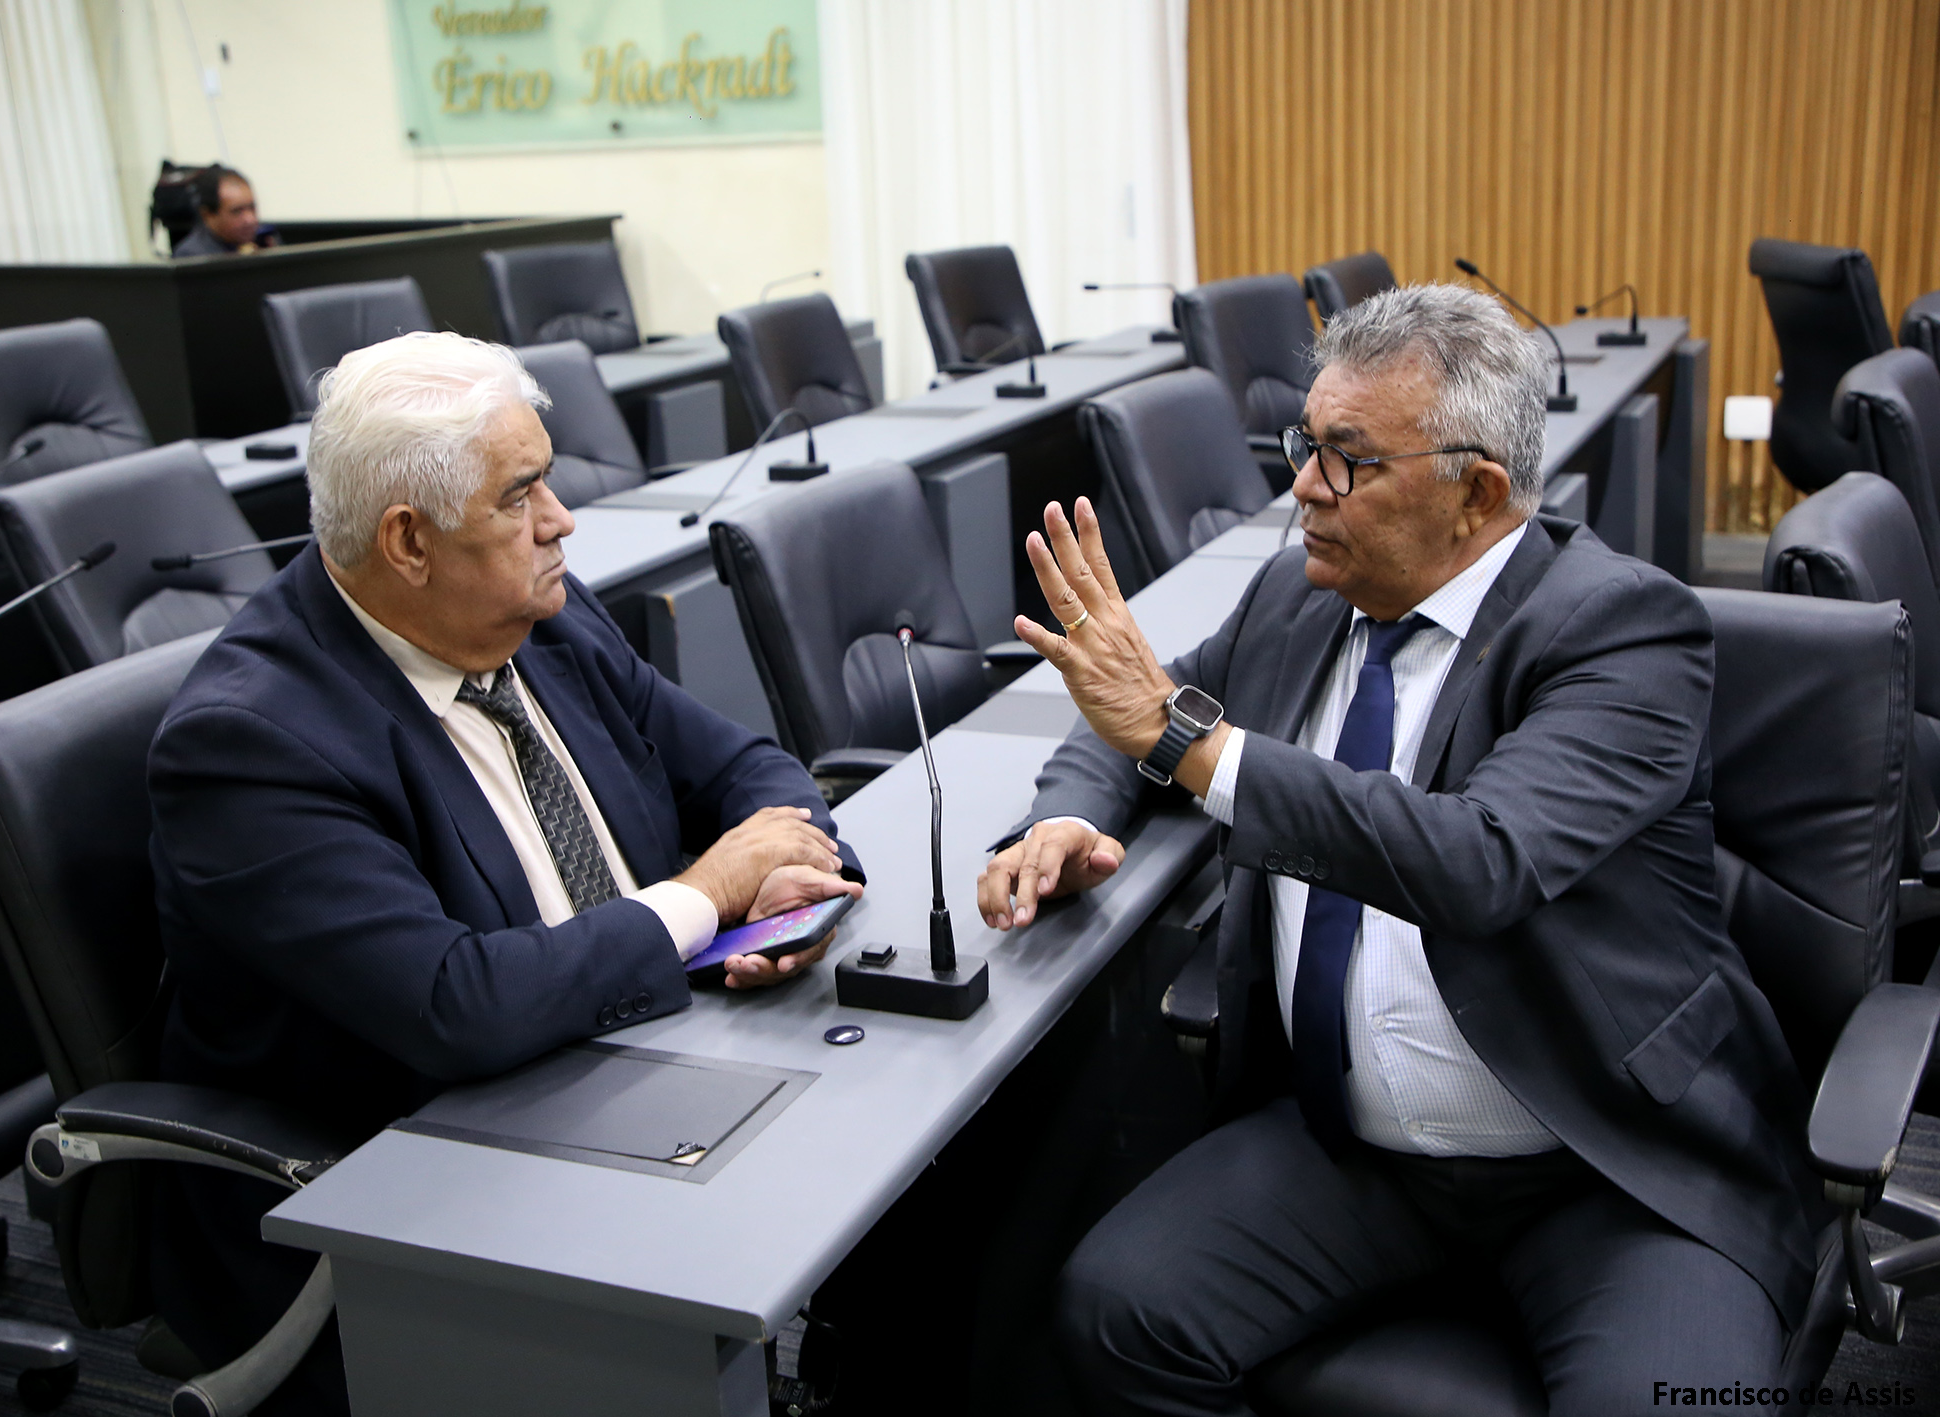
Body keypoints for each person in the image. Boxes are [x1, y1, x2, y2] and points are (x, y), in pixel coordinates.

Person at [977, 285, 1816, 1414]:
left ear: (1476, 493)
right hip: (1355, 1146)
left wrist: (1188, 743)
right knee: (1113, 1312)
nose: (1303, 486)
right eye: (1303, 445)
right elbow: (1135, 707)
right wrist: (1070, 817)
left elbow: (1481, 860)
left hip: (1604, 1162)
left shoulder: (1622, 629)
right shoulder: (1295, 598)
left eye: (1349, 460)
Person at [148, 331, 862, 1412]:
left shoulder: (541, 620)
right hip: (414, 1177)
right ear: (408, 541)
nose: (561, 519)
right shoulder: (252, 743)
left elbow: (748, 770)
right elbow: (457, 1006)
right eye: (520, 494)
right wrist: (708, 892)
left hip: (621, 1064)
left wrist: (777, 888)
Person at [172, 165, 275, 256]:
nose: (250, 219)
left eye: (252, 208)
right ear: (208, 216)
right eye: (237, 211)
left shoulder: (266, 240)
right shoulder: (192, 256)